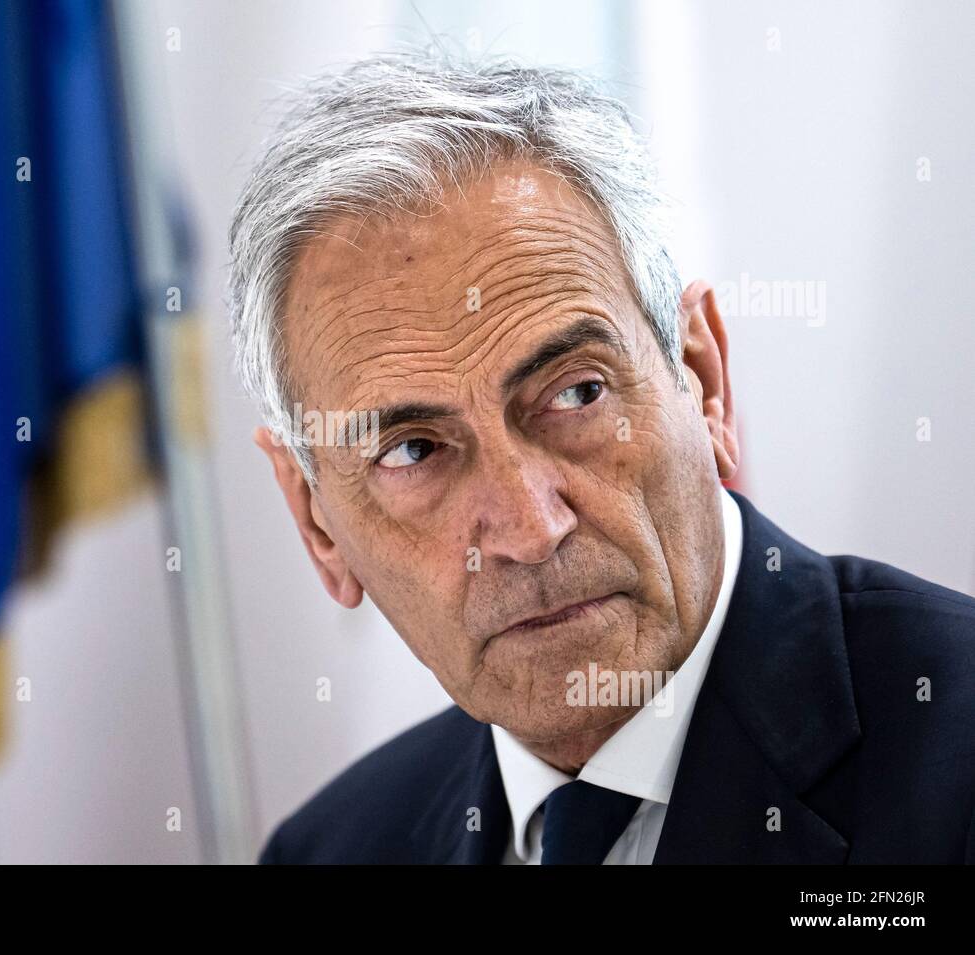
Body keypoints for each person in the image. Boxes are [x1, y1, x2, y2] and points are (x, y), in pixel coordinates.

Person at [227, 53, 975, 864]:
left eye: (577, 393)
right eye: (414, 450)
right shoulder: (327, 851)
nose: (529, 527)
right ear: (318, 525)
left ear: (704, 379)